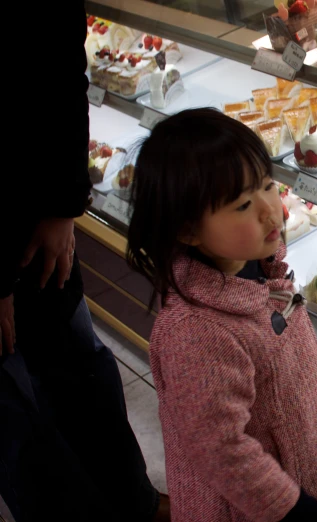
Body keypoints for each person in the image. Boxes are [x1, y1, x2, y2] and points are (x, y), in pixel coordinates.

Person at [126, 108, 317, 522]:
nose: (270, 209)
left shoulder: (259, 271)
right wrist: (291, 509)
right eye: (242, 204)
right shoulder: (196, 332)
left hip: (310, 479)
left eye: (268, 185)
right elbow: (219, 449)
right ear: (187, 230)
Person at [0, 3, 167, 521]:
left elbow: (57, 68)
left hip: (34, 215)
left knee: (79, 369)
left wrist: (64, 204)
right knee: (16, 411)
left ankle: (134, 501)